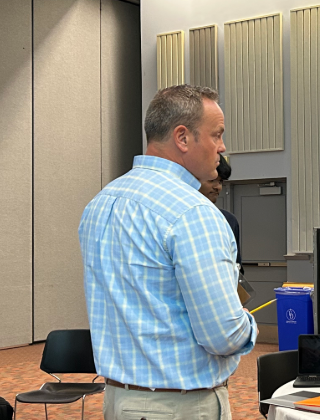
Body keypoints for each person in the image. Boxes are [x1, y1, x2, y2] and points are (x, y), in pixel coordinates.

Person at [79, 85, 257, 420]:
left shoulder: (100, 203)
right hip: (180, 406)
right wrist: (247, 323)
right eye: (217, 135)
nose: (222, 148)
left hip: (118, 400)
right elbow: (224, 336)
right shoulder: (194, 213)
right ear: (182, 137)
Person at [199, 155, 243, 271]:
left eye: (220, 181)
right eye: (212, 180)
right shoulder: (179, 218)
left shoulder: (228, 220)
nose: (218, 187)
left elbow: (237, 266)